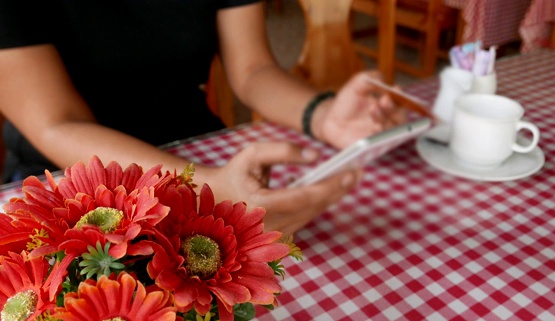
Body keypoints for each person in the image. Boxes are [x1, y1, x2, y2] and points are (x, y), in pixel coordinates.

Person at [0, 0, 405, 234]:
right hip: (62, 177)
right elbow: (56, 122)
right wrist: (203, 190)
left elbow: (251, 70)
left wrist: (323, 115)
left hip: (195, 147)